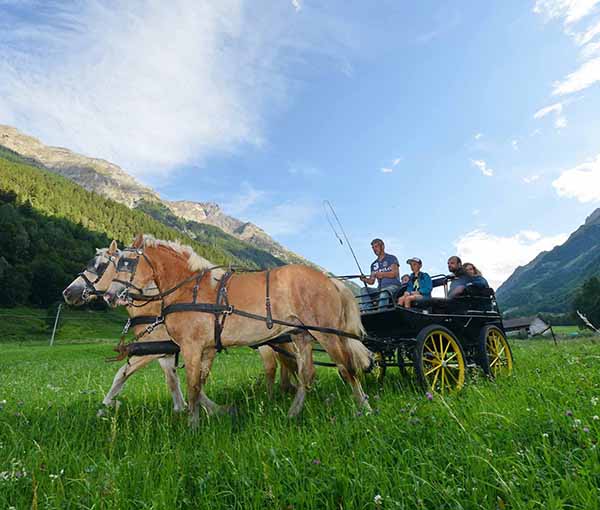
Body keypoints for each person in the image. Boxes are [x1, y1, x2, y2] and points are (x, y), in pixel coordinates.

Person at [359, 238, 402, 309]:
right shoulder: (374, 264)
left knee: (384, 293)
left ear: (382, 246)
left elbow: (395, 274)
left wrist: (382, 274)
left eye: (376, 246)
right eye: (373, 248)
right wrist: (364, 279)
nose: (374, 249)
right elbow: (371, 281)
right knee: (364, 290)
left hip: (394, 286)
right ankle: (368, 311)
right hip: (380, 288)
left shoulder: (391, 258)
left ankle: (381, 313)